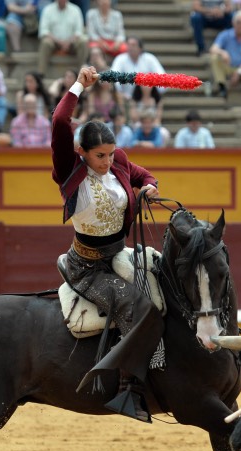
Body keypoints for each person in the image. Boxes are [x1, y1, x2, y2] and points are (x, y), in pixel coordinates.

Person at [51, 64, 161, 423]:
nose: (108, 162)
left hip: (118, 253)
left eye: (111, 155)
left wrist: (149, 186)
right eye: (100, 156)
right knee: (136, 304)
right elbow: (58, 124)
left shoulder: (118, 162)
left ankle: (164, 360)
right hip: (86, 265)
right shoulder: (71, 167)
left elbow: (141, 174)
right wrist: (79, 86)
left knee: (167, 278)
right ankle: (130, 389)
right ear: (82, 151)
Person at [110, 37, 165, 120]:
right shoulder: (120, 59)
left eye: (133, 45)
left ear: (140, 48)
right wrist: (119, 92)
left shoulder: (150, 59)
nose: (130, 47)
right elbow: (113, 76)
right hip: (125, 99)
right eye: (128, 44)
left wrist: (155, 93)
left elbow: (163, 77)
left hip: (145, 97)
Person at [210, 10, 241, 105]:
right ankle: (222, 86)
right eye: (238, 22)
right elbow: (213, 49)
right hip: (228, 66)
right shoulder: (225, 34)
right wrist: (223, 52)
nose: (240, 25)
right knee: (214, 58)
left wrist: (239, 71)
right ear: (233, 22)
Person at [38, 0, 87, 76]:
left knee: (83, 41)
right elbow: (44, 31)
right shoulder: (47, 9)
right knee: (45, 42)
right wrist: (59, 42)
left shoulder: (75, 9)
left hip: (71, 43)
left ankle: (83, 73)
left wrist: (68, 42)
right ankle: (40, 74)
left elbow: (79, 31)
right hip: (54, 43)